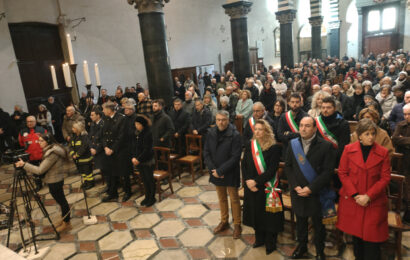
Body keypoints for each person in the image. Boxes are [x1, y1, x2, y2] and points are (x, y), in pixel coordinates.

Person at [337, 118, 390, 260]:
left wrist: (368, 196)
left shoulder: (383, 152)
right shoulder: (348, 150)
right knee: (357, 240)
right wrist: (355, 194)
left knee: (372, 241)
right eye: (367, 134)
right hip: (354, 201)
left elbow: (385, 178)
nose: (371, 137)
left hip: (373, 202)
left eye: (373, 133)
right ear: (359, 135)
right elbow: (342, 173)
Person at [285, 116, 336, 260]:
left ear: (314, 128)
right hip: (298, 191)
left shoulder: (325, 146)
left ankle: (320, 251)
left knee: (318, 225)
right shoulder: (293, 144)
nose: (303, 128)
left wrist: (310, 188)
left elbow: (328, 172)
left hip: (316, 192)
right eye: (301, 125)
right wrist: (295, 186)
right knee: (300, 222)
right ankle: (302, 247)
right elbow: (288, 166)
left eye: (307, 126)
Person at [242, 119, 283, 255]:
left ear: (267, 131)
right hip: (251, 186)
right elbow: (244, 165)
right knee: (256, 213)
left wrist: (256, 182)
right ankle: (259, 239)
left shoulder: (274, 147)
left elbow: (272, 170)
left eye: (261, 129)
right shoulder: (250, 144)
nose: (258, 132)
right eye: (256, 129)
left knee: (269, 216)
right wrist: (248, 181)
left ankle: (270, 242)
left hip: (267, 186)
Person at [15, 132, 71, 232]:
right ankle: (64, 219)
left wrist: (24, 165)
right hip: (54, 179)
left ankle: (67, 222)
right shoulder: (51, 149)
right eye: (38, 140)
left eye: (41, 141)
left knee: (62, 202)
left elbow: (40, 170)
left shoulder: (52, 153)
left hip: (55, 180)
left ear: (48, 141)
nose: (39, 143)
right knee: (61, 201)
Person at [204, 110, 242, 239]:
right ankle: (224, 221)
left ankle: (237, 224)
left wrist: (221, 171)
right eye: (218, 119)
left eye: (223, 120)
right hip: (216, 172)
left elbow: (236, 157)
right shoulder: (211, 133)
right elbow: (206, 152)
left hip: (230, 172)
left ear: (228, 120)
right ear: (216, 120)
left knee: (234, 199)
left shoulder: (235, 135)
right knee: (221, 198)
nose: (220, 122)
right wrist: (213, 170)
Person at [101, 101, 128, 202]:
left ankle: (127, 192)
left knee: (123, 173)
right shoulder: (106, 119)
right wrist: (105, 147)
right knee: (111, 173)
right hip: (109, 150)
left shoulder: (121, 118)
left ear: (109, 110)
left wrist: (112, 149)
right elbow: (103, 135)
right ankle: (113, 193)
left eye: (104, 109)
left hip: (120, 150)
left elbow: (121, 136)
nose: (102, 111)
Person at [316, 97, 350, 165]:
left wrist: (331, 159)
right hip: (318, 158)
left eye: (328, 108)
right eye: (323, 108)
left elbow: (343, 146)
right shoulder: (316, 121)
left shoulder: (343, 123)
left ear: (334, 108)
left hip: (335, 159)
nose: (325, 110)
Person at [132, 115, 156, 207]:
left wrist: (138, 159)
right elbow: (135, 147)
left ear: (143, 124)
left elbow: (147, 150)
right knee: (144, 180)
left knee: (149, 179)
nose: (136, 126)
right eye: (135, 124)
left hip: (147, 160)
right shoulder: (137, 133)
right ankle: (147, 196)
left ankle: (152, 198)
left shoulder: (148, 133)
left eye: (138, 124)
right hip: (139, 160)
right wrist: (134, 157)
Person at [18, 116, 47, 191]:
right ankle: (38, 185)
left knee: (45, 170)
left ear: (35, 122)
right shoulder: (22, 132)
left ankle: (48, 181)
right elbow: (21, 143)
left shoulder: (42, 130)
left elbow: (48, 140)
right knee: (34, 172)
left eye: (31, 121)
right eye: (28, 121)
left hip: (42, 155)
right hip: (31, 156)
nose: (29, 123)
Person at [392, 103, 410, 223]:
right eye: (405, 114)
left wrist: (403, 140)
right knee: (404, 185)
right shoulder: (401, 124)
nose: (407, 116)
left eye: (409, 114)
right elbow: (395, 138)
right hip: (403, 160)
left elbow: (399, 140)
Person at [69, 121, 94, 190]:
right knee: (82, 172)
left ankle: (90, 183)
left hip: (85, 159)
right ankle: (86, 182)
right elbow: (71, 146)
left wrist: (77, 155)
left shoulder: (84, 136)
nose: (72, 129)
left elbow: (84, 147)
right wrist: (72, 154)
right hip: (78, 160)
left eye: (73, 127)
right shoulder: (73, 136)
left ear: (78, 128)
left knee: (87, 172)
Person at [89, 108, 105, 189]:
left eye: (92, 115)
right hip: (94, 148)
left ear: (98, 115)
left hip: (102, 149)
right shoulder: (93, 124)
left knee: (105, 167)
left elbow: (103, 139)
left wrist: (96, 149)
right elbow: (90, 137)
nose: (90, 117)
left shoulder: (103, 124)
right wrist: (91, 148)